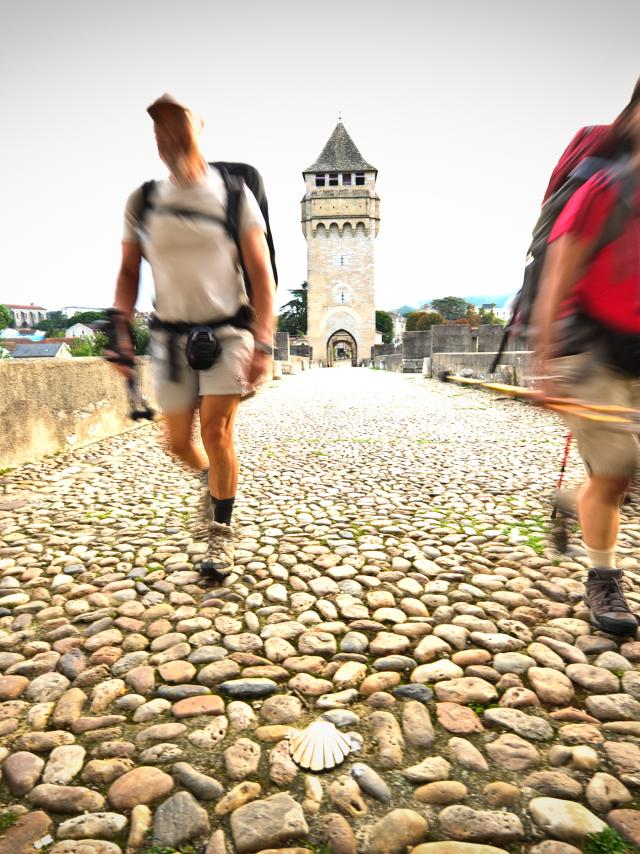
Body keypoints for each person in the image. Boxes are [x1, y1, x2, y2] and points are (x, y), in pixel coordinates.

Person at [109, 93, 275, 578]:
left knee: (217, 431)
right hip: (170, 339)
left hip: (228, 332)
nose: (166, 141)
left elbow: (261, 276)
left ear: (196, 132)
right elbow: (126, 274)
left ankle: (219, 536)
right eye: (158, 133)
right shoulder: (143, 201)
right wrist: (120, 331)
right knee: (178, 442)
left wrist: (262, 341)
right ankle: (213, 481)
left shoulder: (233, 195)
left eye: (175, 129)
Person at [532, 78, 640, 636]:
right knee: (619, 473)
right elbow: (559, 273)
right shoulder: (605, 189)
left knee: (616, 473)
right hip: (594, 348)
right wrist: (546, 358)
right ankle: (604, 577)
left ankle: (579, 498)